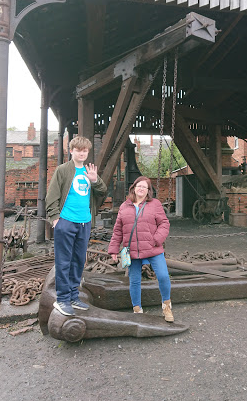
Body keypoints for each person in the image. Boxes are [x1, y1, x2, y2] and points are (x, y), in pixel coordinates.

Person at [46, 136, 107, 316]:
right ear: (71, 151)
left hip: (84, 222)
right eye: (78, 150)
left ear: (87, 153)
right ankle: (62, 299)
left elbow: (103, 192)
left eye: (85, 150)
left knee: (79, 261)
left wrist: (95, 180)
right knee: (64, 261)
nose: (82, 153)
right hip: (66, 221)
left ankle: (73, 296)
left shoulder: (89, 171)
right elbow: (51, 196)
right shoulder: (63, 170)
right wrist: (56, 219)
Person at [108, 176, 174, 322]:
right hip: (132, 250)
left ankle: (166, 306)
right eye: (139, 186)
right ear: (134, 187)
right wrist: (113, 249)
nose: (141, 189)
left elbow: (164, 224)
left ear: (148, 191)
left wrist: (156, 239)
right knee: (135, 280)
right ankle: (137, 310)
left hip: (152, 248)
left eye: (145, 187)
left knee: (163, 276)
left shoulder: (155, 204)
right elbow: (118, 230)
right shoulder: (124, 206)